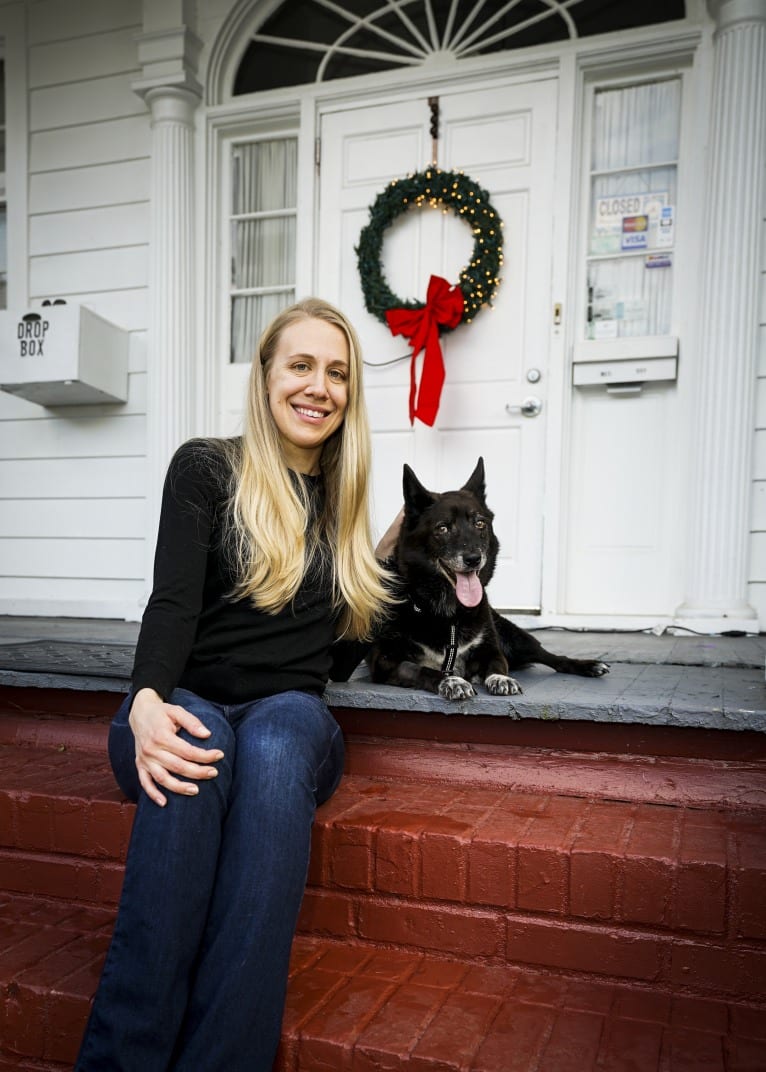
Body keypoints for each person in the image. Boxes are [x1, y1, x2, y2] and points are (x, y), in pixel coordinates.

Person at [75, 298, 396, 1072]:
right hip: (181, 698)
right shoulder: (205, 467)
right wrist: (146, 703)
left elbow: (342, 648)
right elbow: (174, 603)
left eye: (338, 373)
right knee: (202, 740)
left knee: (281, 741)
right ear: (264, 375)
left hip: (287, 715)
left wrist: (396, 572)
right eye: (301, 365)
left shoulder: (343, 505)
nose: (319, 387)